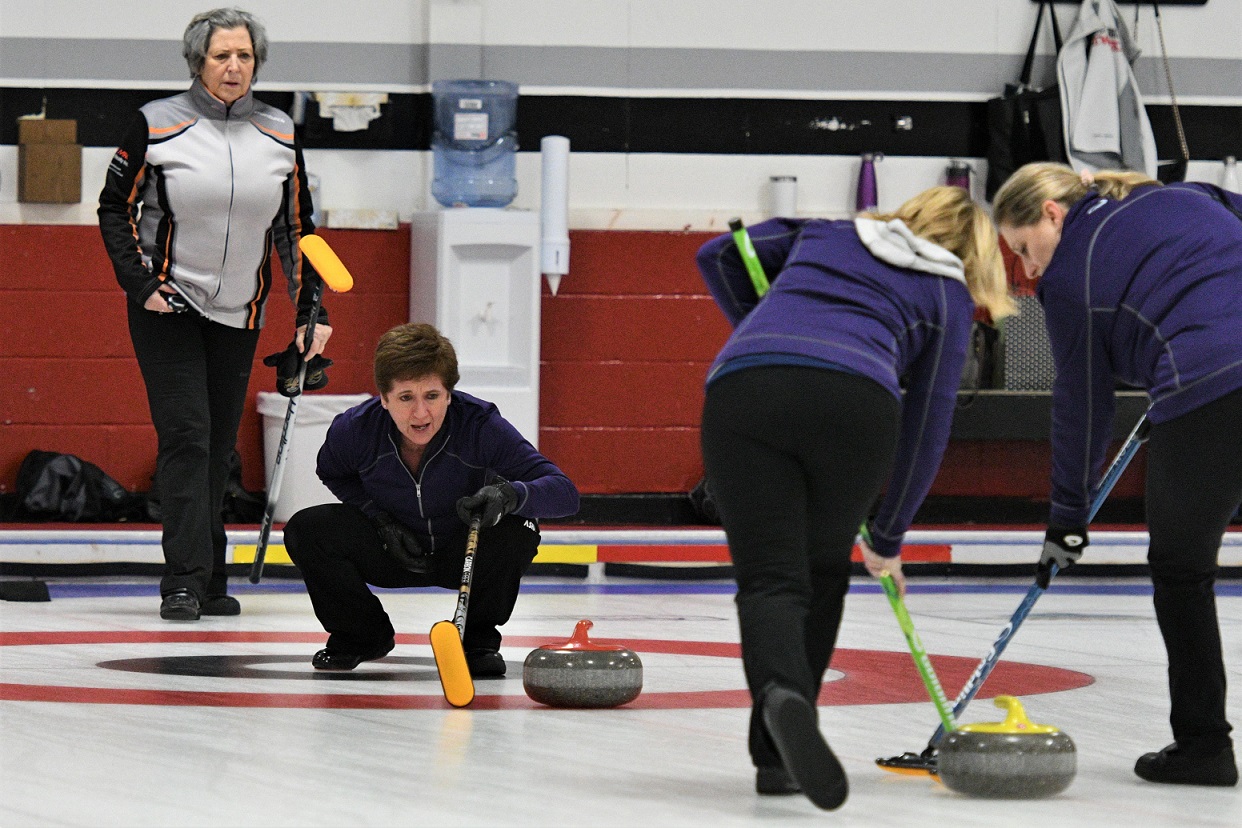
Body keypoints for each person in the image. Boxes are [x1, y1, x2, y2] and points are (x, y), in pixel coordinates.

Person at [696, 187, 1014, 809]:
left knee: (768, 581)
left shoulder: (827, 232)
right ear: (973, 253)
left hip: (746, 386)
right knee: (821, 574)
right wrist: (890, 534)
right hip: (856, 403)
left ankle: (779, 705)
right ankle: (779, 751)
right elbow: (928, 424)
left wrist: (762, 322)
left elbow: (718, 254)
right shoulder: (948, 296)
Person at [993, 162, 1242, 787]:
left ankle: (1204, 747)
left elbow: (1082, 406)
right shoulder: (1188, 194)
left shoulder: (1069, 278)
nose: (1027, 271)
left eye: (1024, 248)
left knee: (1182, 568)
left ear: (1053, 212)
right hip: (1202, 376)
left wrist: (1067, 517)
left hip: (1209, 384)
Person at [98, 8, 331, 622]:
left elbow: (298, 228)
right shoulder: (157, 123)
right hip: (168, 305)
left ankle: (210, 576)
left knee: (217, 448)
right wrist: (140, 282)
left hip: (240, 312)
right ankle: (182, 579)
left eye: (244, 57)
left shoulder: (280, 132)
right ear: (197, 61)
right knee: (187, 437)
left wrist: (311, 310)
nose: (234, 67)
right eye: (221, 56)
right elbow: (113, 208)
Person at [283, 323, 580, 677]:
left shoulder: (480, 425)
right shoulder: (355, 429)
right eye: (406, 397)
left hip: (464, 553)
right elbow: (332, 472)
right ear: (384, 397)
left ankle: (477, 641)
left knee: (518, 527)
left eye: (432, 396)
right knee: (308, 528)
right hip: (391, 551)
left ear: (449, 394)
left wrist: (510, 495)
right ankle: (361, 635)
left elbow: (565, 493)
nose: (421, 414)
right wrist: (378, 518)